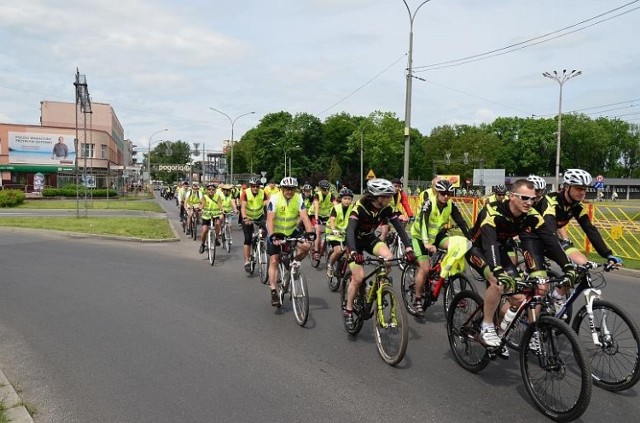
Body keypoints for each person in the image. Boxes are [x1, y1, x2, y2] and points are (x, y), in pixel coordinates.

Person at [466, 179, 575, 349]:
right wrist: (497, 270)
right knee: (498, 282)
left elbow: (550, 240)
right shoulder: (493, 211)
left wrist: (567, 266)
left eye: (532, 199)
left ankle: (500, 329)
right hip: (477, 248)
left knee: (519, 298)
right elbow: (490, 243)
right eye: (524, 198)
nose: (529, 202)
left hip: (499, 248)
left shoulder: (531, 214)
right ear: (511, 196)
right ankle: (486, 326)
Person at [532, 169, 623, 311]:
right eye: (579, 188)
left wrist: (607, 254)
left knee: (583, 265)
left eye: (585, 189)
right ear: (567, 187)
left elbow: (590, 229)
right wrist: (565, 259)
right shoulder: (550, 201)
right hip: (534, 240)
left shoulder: (576, 206)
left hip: (551, 240)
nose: (583, 192)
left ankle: (557, 294)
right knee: (544, 285)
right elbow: (549, 230)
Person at [343, 178, 416, 330]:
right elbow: (349, 230)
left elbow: (399, 228)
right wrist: (355, 252)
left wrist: (408, 248)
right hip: (353, 242)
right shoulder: (360, 207)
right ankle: (349, 310)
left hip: (369, 238)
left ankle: (372, 287)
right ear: (379, 197)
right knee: (358, 277)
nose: (391, 198)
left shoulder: (386, 208)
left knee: (388, 258)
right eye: (389, 196)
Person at [410, 179, 471, 316]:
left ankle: (445, 273)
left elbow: (461, 222)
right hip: (420, 237)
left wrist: (472, 238)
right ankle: (418, 298)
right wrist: (426, 243)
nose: (446, 196)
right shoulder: (429, 203)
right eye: (443, 193)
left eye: (449, 193)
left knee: (456, 246)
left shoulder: (450, 204)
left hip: (436, 235)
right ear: (437, 192)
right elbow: (423, 224)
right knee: (424, 269)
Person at [266, 177, 315, 307]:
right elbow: (270, 220)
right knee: (274, 260)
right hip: (276, 232)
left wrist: (310, 234)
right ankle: (273, 290)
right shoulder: (275, 198)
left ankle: (294, 263)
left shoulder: (298, 198)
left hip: (291, 230)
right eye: (287, 189)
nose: (289, 191)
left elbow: (304, 217)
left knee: (307, 246)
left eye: (292, 189)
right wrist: (273, 237)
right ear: (282, 189)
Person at [240, 178, 269, 272]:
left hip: (259, 216)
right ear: (250, 186)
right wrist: (245, 218)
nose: (255, 188)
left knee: (267, 232)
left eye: (257, 186)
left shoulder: (263, 193)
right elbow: (243, 207)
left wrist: (270, 218)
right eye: (253, 186)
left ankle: (260, 245)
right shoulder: (245, 193)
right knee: (248, 239)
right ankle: (247, 261)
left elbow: (268, 205)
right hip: (248, 217)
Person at [326, 187, 354, 278]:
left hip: (345, 233)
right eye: (345, 198)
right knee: (337, 251)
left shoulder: (352, 208)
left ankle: (348, 271)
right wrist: (334, 230)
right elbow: (332, 220)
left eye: (349, 199)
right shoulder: (336, 208)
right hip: (333, 233)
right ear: (341, 199)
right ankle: (330, 265)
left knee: (350, 253)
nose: (347, 201)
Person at [379, 178, 414, 242]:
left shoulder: (401, 193)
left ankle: (397, 236)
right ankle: (380, 247)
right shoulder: (386, 193)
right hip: (384, 212)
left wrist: (410, 215)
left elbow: (405, 204)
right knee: (385, 231)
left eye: (399, 186)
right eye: (395, 186)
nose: (397, 188)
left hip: (395, 211)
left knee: (405, 219)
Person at [312, 179, 336, 259]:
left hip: (325, 216)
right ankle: (316, 251)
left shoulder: (331, 195)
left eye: (327, 189)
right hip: (314, 214)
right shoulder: (317, 195)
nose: (325, 191)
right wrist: (316, 219)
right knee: (318, 230)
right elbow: (316, 208)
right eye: (323, 189)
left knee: (330, 229)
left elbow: (336, 206)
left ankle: (324, 246)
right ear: (320, 189)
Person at [199, 183, 223, 254]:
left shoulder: (217, 197)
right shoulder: (204, 197)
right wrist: (200, 208)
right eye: (209, 189)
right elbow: (202, 204)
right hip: (206, 216)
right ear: (207, 190)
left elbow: (220, 204)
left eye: (213, 189)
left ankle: (216, 238)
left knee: (218, 224)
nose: (211, 191)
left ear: (215, 190)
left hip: (215, 215)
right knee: (204, 230)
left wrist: (222, 210)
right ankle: (202, 244)